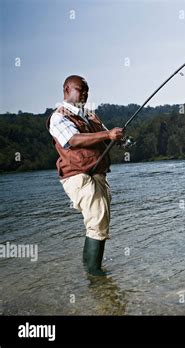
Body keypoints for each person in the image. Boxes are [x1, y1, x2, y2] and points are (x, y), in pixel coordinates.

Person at [46, 75, 124, 276]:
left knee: (100, 222)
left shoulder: (89, 116)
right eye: (81, 89)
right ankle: (94, 274)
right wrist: (107, 135)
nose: (85, 94)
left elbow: (107, 139)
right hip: (78, 176)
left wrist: (116, 138)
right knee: (96, 221)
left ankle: (93, 273)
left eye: (87, 90)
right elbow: (74, 140)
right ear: (66, 90)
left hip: (97, 175)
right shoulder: (58, 117)